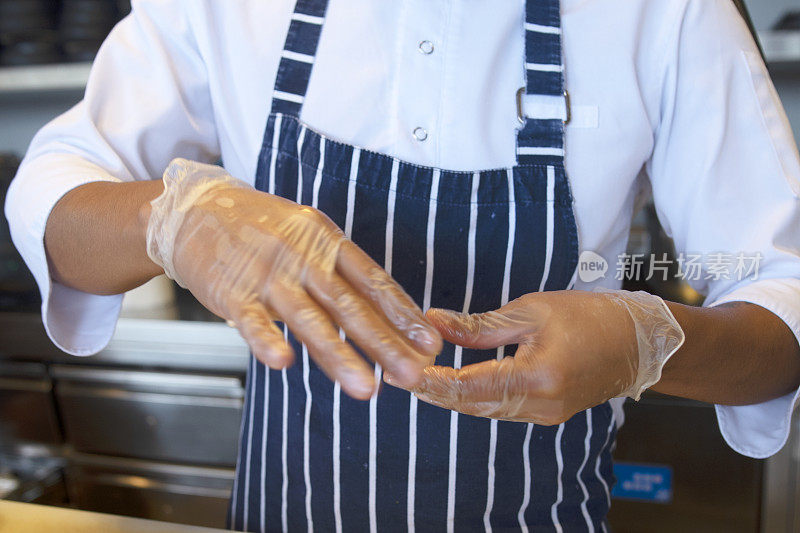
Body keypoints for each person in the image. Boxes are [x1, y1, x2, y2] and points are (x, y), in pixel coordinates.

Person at [6, 0, 800, 530]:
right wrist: (175, 219)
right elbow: (51, 197)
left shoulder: (666, 14)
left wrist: (647, 342)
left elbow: (786, 298)